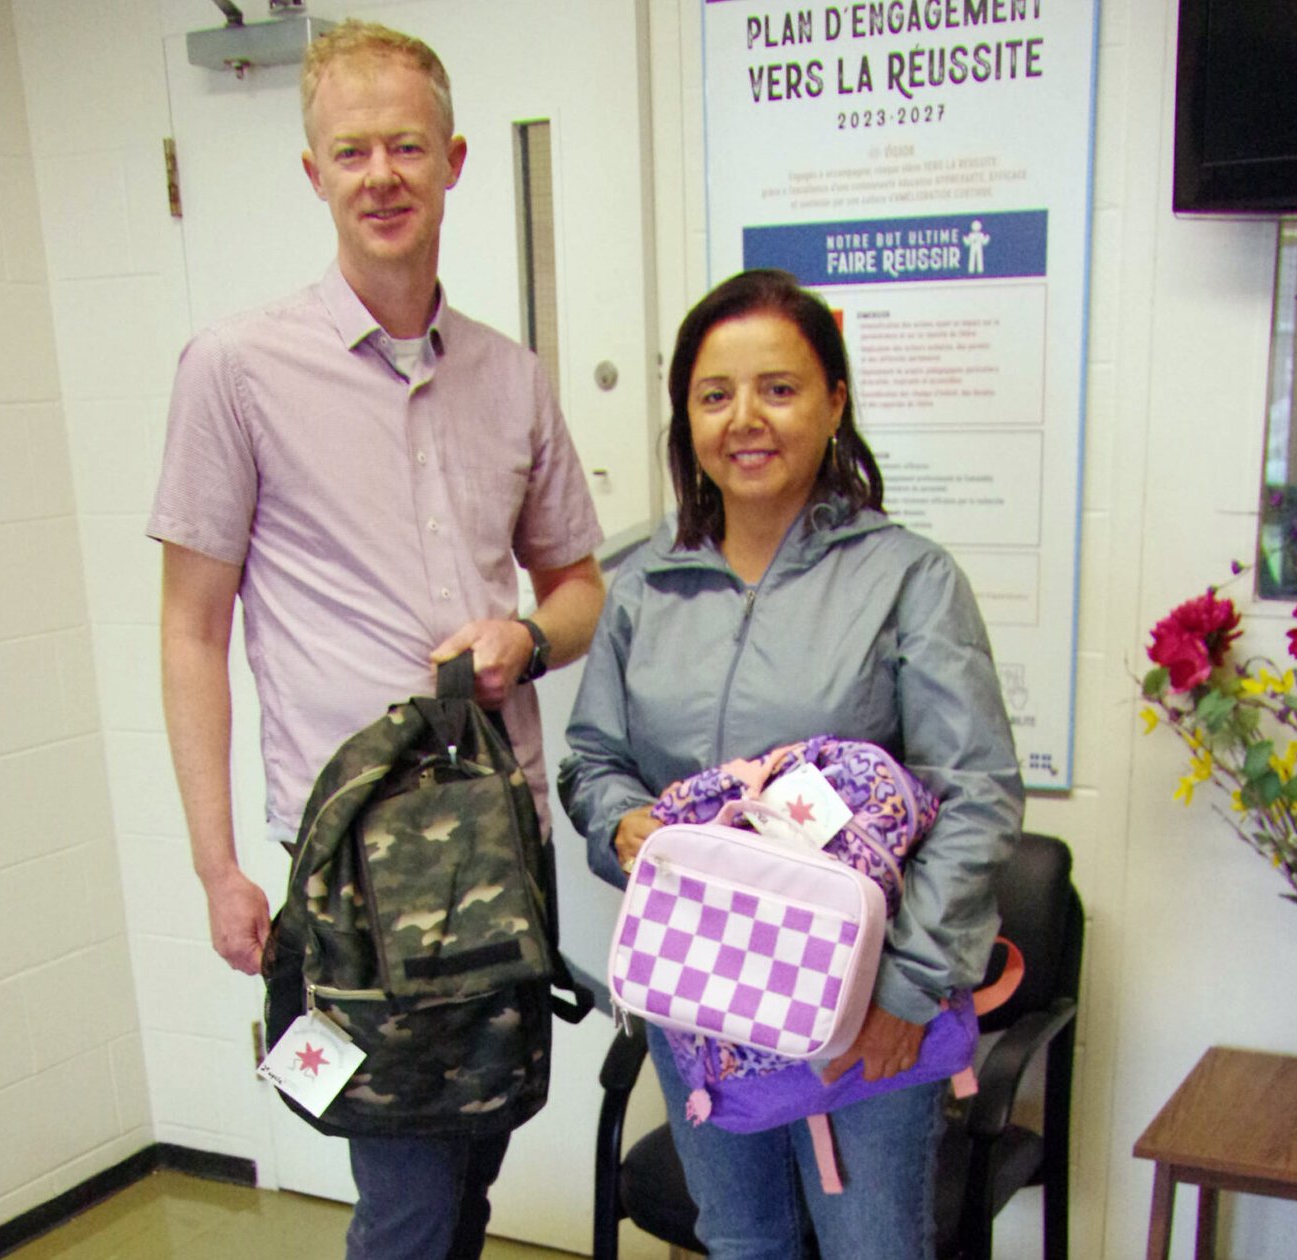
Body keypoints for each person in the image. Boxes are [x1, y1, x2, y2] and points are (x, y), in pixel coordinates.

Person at [147, 20, 605, 1260]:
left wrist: (524, 635)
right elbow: (191, 631)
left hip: (495, 843)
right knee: (405, 1194)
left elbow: (579, 585)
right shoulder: (234, 370)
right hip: (351, 865)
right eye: (350, 151)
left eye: (407, 145)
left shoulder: (513, 379)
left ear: (454, 159)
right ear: (312, 174)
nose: (381, 174)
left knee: (473, 1164)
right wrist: (217, 867)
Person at [559, 269, 1021, 1258]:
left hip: (859, 1005)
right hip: (698, 999)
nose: (744, 420)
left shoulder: (908, 578)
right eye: (714, 395)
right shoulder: (644, 587)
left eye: (778, 387)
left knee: (870, 1245)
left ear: (834, 402)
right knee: (741, 1241)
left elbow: (977, 798)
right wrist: (621, 822)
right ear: (685, 416)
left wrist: (905, 994)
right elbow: (592, 759)